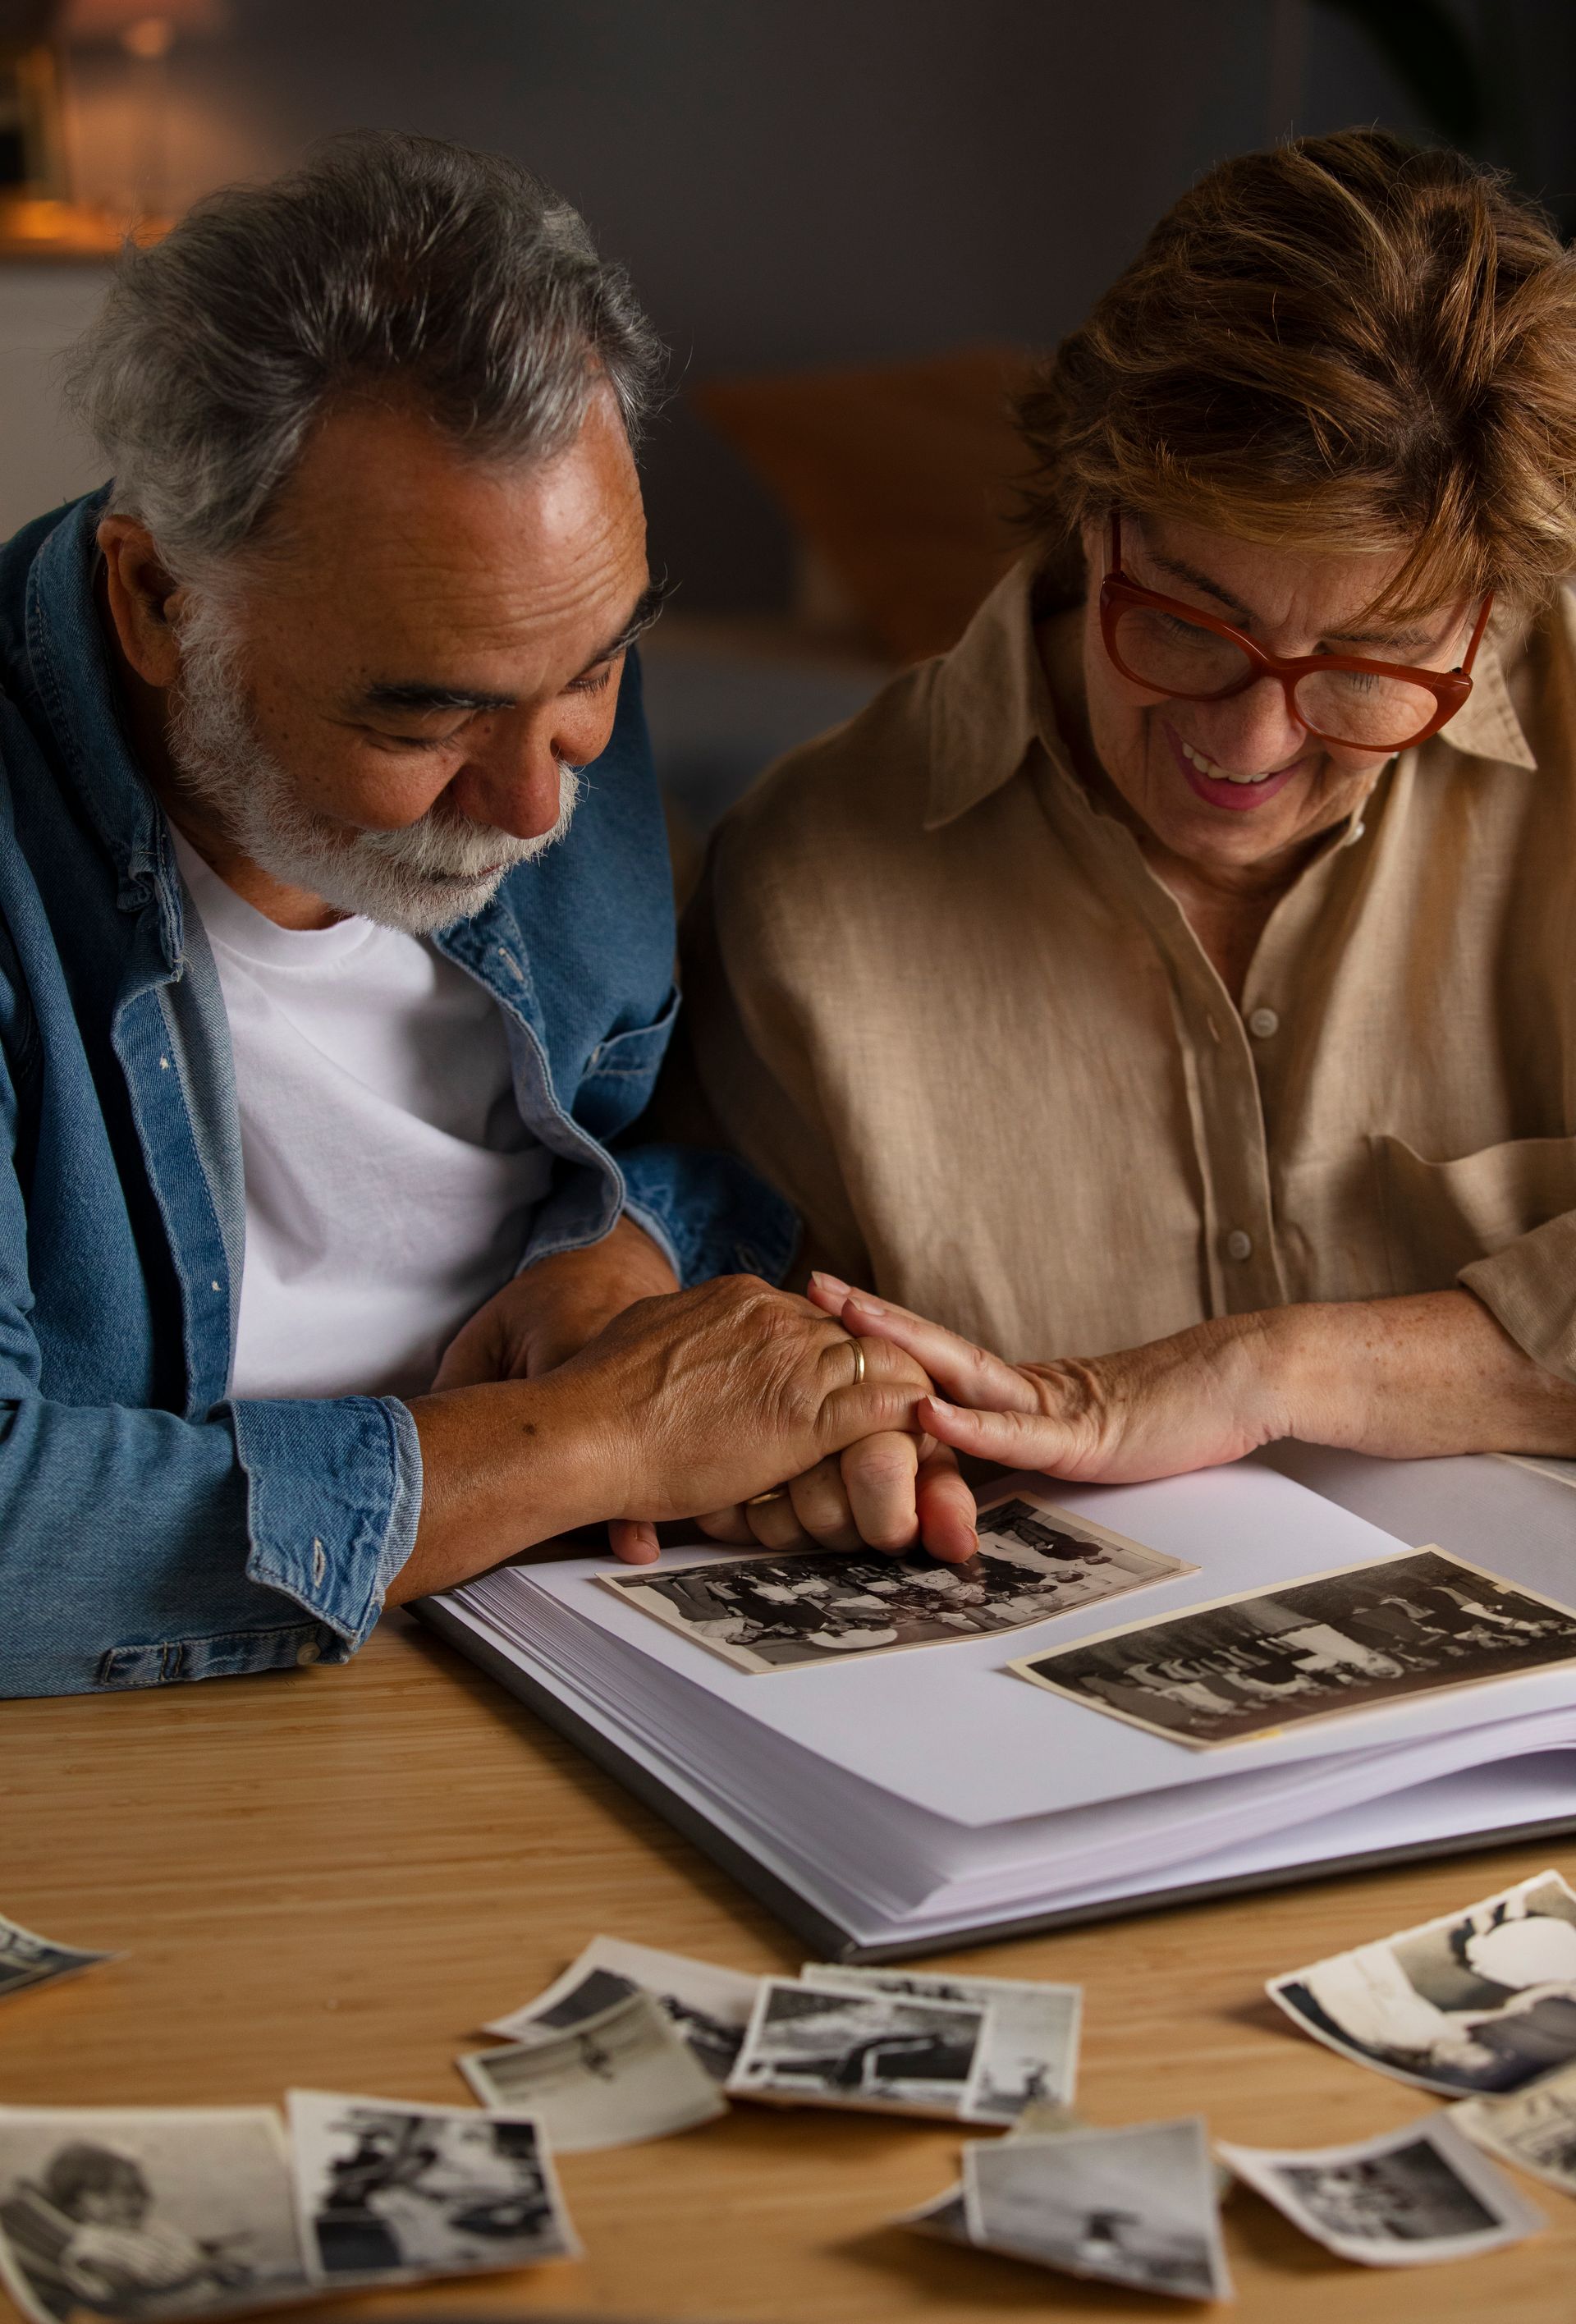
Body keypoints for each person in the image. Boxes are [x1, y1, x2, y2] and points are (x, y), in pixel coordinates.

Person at [0, 132, 958, 1702]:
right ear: (157, 603)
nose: (536, 808)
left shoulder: (531, 678)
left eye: (593, 671)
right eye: (419, 721)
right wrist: (595, 1438)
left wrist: (615, 1256)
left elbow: (651, 1121)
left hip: (563, 1637)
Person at [674, 131, 1576, 1533]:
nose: (1252, 744)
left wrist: (1273, 1367)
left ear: (1490, 612)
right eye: (1187, 622)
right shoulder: (807, 887)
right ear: (1091, 511)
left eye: (1368, 668)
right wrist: (822, 1458)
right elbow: (759, 1390)